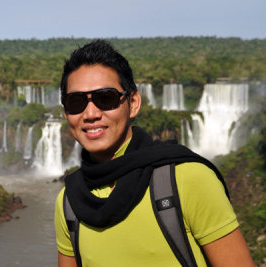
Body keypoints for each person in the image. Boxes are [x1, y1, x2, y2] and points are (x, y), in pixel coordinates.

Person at [54, 40, 255, 267]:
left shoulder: (187, 179)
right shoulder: (69, 202)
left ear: (133, 103)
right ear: (66, 113)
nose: (90, 113)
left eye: (106, 98)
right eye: (76, 102)